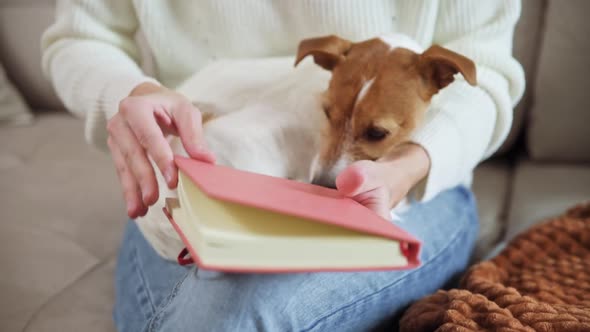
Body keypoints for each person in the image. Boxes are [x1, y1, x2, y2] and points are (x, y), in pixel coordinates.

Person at [42, 1, 525, 331]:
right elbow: (79, 38)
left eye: (373, 133)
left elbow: (491, 75)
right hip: (192, 162)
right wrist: (130, 94)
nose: (330, 171)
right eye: (332, 119)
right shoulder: (321, 77)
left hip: (422, 184)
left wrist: (404, 166)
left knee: (230, 319)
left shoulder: (425, 86)